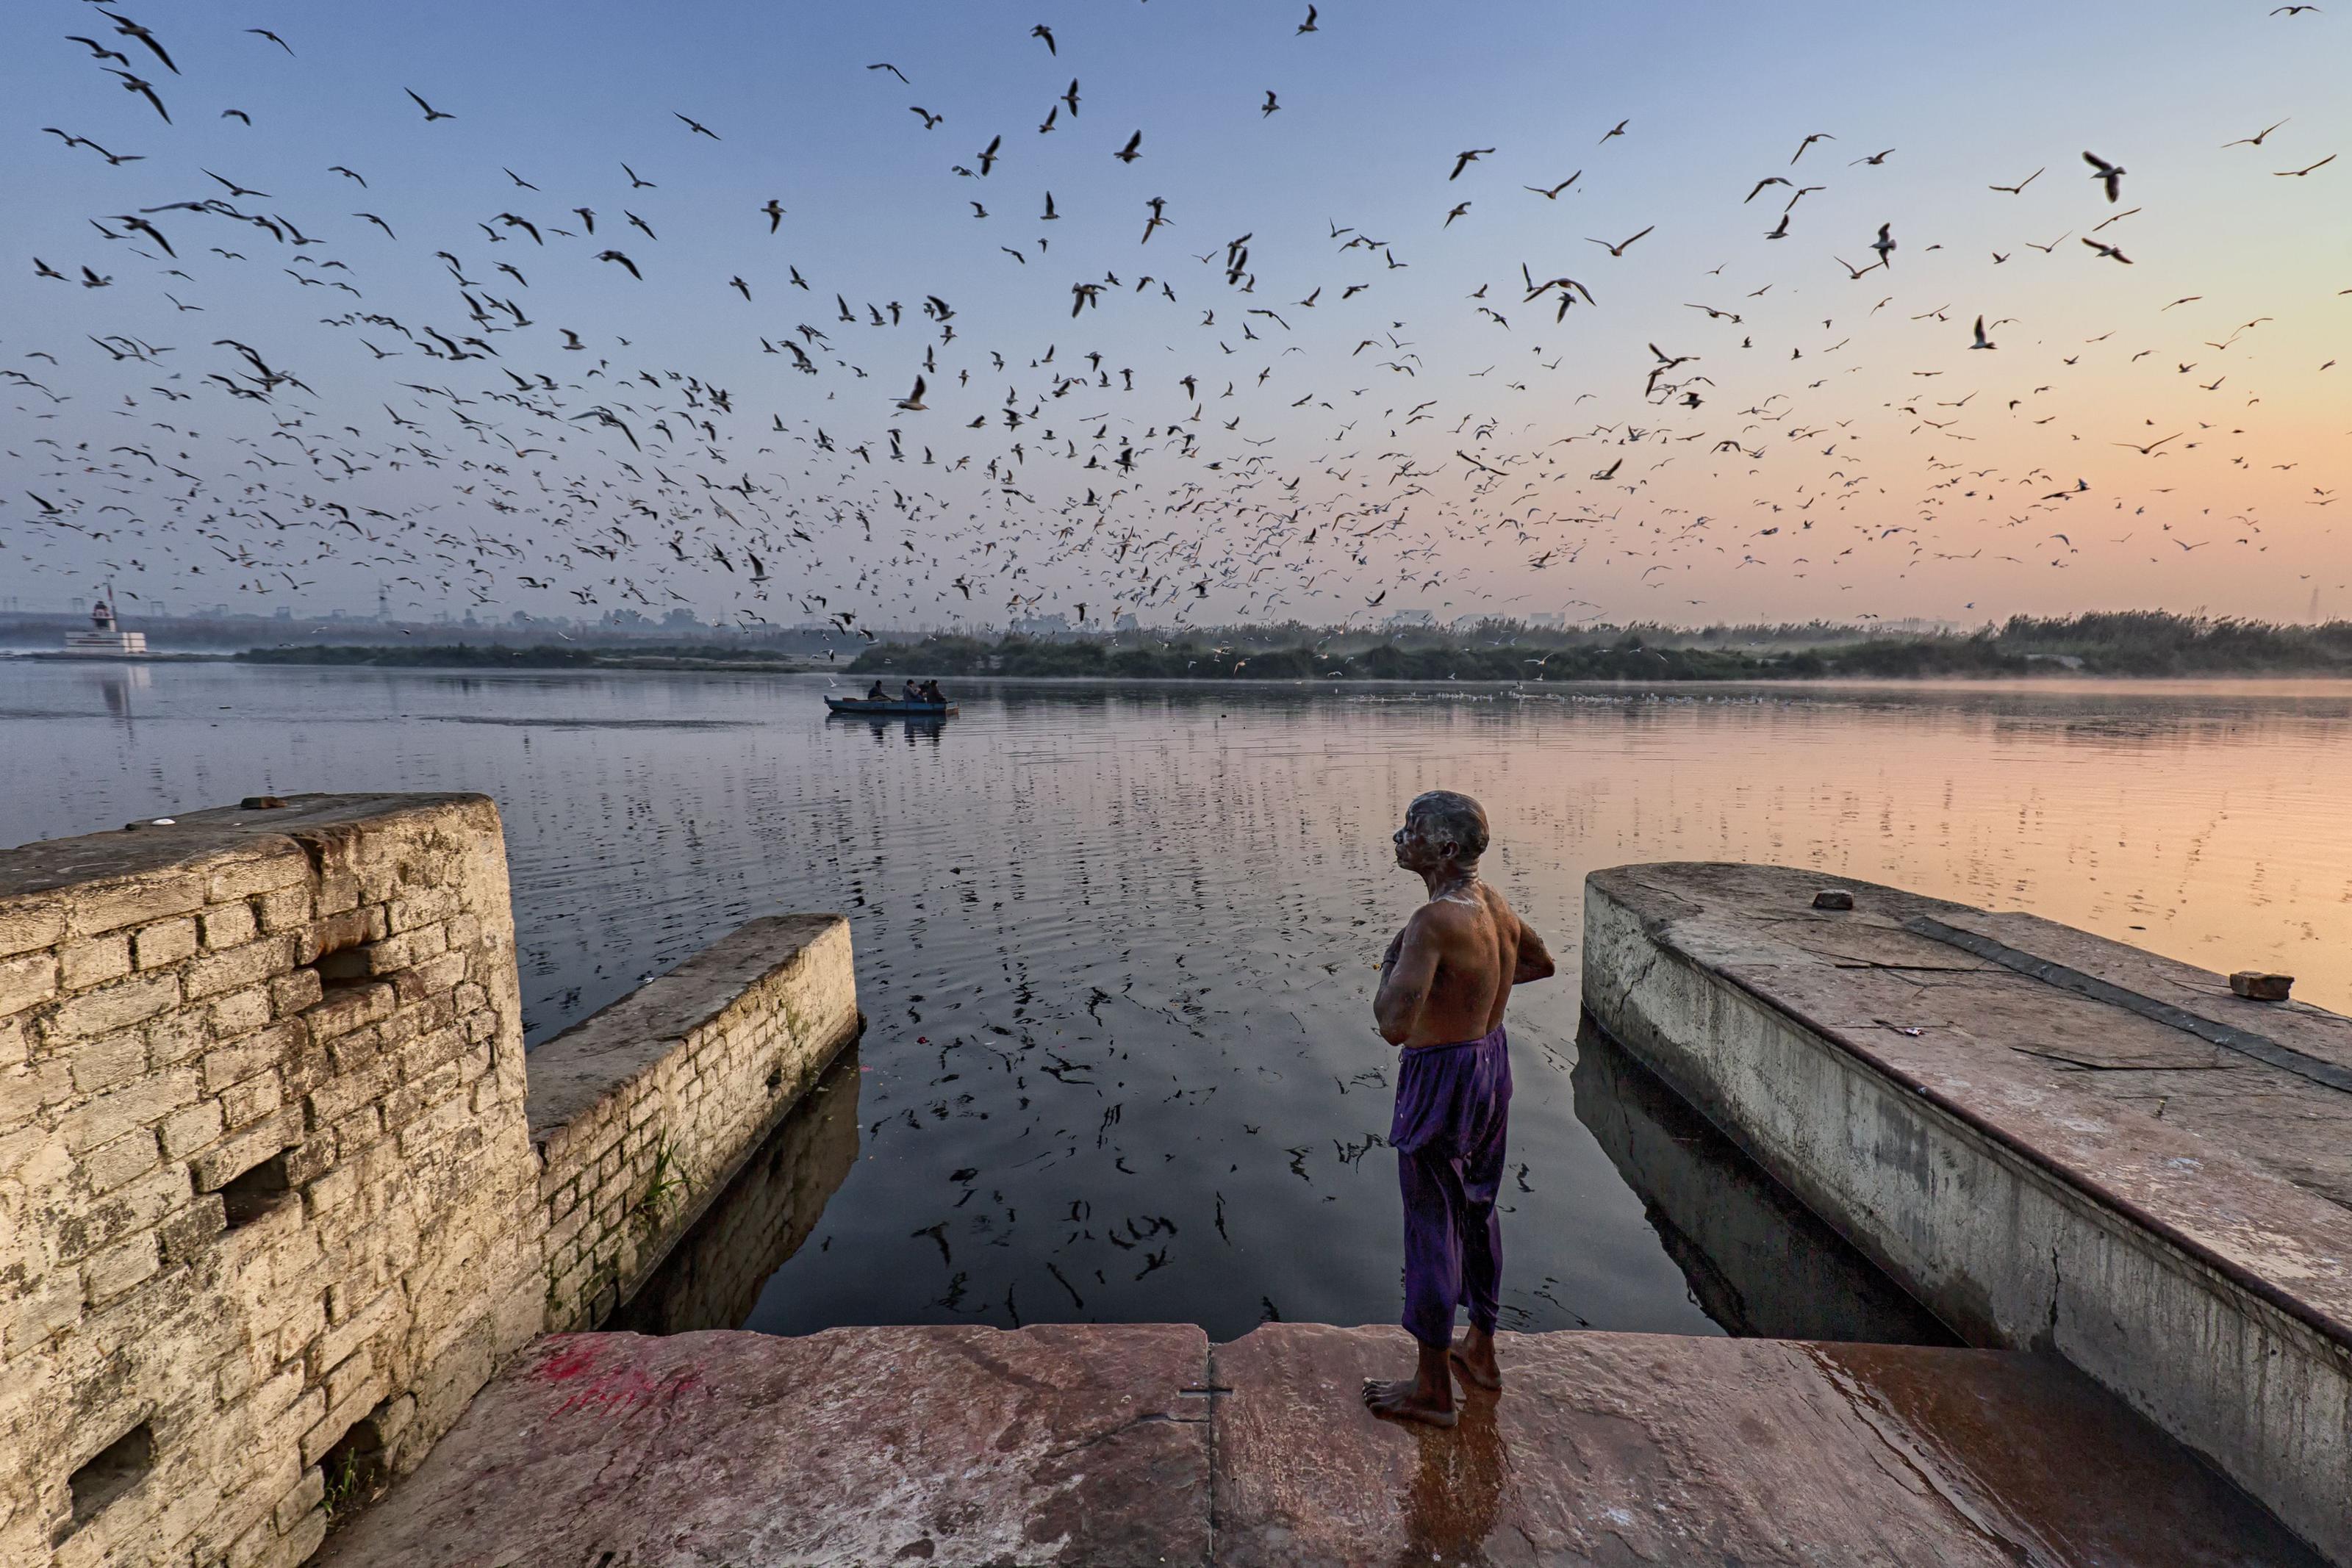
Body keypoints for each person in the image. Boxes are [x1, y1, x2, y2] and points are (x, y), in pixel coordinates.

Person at [1362, 790, 1554, 1428]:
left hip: (1441, 1076)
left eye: (1410, 830)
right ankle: (1482, 1351)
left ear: (1443, 849)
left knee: (1430, 1222)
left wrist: (1391, 963)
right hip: (1490, 1064)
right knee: (1477, 1207)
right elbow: (1539, 963)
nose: (1398, 837)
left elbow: (1392, 1023)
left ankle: (1432, 1389)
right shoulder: (1493, 904)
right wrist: (1472, 995)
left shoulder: (1432, 923)